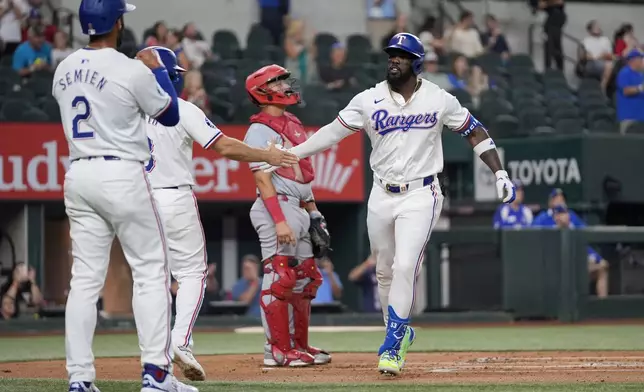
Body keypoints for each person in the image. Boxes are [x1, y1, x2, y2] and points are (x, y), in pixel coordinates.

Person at [257, 32, 515, 376]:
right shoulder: (368, 99)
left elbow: (475, 131)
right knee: (383, 270)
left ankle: (392, 346)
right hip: (381, 192)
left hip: (422, 193)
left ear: (417, 63)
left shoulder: (439, 99)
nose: (394, 59)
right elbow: (331, 133)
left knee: (405, 266)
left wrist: (499, 173)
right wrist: (290, 154)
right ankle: (397, 330)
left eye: (402, 55)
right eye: (391, 54)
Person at [52, 1, 196, 391]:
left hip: (79, 172)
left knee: (83, 282)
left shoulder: (63, 67)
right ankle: (156, 375)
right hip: (121, 170)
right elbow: (169, 115)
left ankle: (79, 380)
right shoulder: (130, 67)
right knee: (150, 272)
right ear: (116, 22)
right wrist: (156, 71)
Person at [143, 46, 298, 381]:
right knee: (192, 274)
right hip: (172, 197)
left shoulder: (127, 111)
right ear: (170, 77)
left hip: (138, 201)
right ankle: (180, 342)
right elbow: (224, 146)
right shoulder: (182, 109)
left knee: (150, 279)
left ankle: (153, 358)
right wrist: (265, 155)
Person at [243, 64, 333, 368]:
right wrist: (279, 220)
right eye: (278, 82)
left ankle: (298, 346)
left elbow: (303, 176)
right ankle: (276, 350)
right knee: (280, 277)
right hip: (276, 206)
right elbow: (262, 178)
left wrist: (315, 215)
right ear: (263, 91)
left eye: (284, 80)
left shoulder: (292, 121)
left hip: (298, 205)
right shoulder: (258, 129)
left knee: (306, 277)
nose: (286, 85)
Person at [533, 203, 609, 298]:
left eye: (565, 213)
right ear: (555, 217)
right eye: (560, 214)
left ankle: (602, 305)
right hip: (559, 273)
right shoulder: (552, 233)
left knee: (601, 268)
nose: (563, 216)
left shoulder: (574, 230)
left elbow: (586, 249)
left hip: (577, 269)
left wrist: (598, 259)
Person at [615, 50, 644, 134]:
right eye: (640, 59)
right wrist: (640, 88)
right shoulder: (624, 73)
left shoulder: (641, 75)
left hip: (641, 118)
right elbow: (625, 90)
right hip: (628, 117)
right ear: (633, 60)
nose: (642, 61)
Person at [581, 20, 614, 92]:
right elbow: (584, 56)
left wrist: (602, 56)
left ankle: (603, 86)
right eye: (595, 27)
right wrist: (596, 57)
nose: (598, 28)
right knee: (608, 65)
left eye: (598, 27)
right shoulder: (586, 41)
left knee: (609, 64)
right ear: (590, 29)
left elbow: (610, 55)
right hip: (591, 63)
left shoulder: (605, 40)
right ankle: (602, 88)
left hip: (603, 61)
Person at [540, 0, 566, 71]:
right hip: (550, 25)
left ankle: (560, 68)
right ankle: (548, 68)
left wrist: (549, 3)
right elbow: (541, 6)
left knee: (557, 48)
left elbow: (560, 2)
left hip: (557, 24)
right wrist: (550, 3)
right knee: (549, 48)